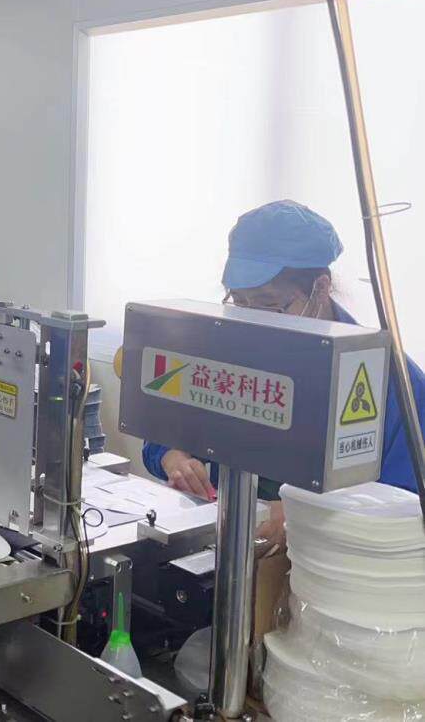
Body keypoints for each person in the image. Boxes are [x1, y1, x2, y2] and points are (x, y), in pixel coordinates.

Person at [142, 200, 425, 550]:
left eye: (268, 305)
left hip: (327, 563)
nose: (251, 320)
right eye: (239, 301)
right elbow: (162, 428)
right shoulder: (224, 346)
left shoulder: (391, 383)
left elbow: (403, 508)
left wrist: (298, 514)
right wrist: (173, 457)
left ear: (320, 289)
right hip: (224, 540)